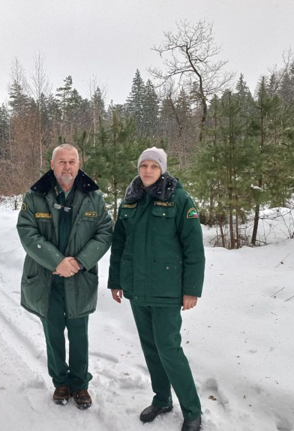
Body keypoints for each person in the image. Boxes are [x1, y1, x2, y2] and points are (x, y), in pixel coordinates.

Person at [108, 147, 206, 431]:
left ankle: (192, 410)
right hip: (137, 288)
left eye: (153, 166)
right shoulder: (129, 201)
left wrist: (191, 290)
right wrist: (116, 281)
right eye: (144, 165)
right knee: (151, 348)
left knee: (169, 348)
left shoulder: (179, 199)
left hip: (167, 289)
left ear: (162, 169)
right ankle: (162, 399)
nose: (148, 170)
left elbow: (194, 250)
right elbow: (119, 245)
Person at [17, 144, 113, 409]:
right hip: (47, 278)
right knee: (53, 332)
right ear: (52, 164)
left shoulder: (93, 197)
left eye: (72, 161)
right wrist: (56, 261)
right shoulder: (36, 195)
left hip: (79, 278)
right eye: (62, 162)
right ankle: (60, 381)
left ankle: (80, 385)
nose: (67, 167)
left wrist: (79, 262)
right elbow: (27, 232)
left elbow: (105, 232)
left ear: (79, 164)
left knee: (80, 334)